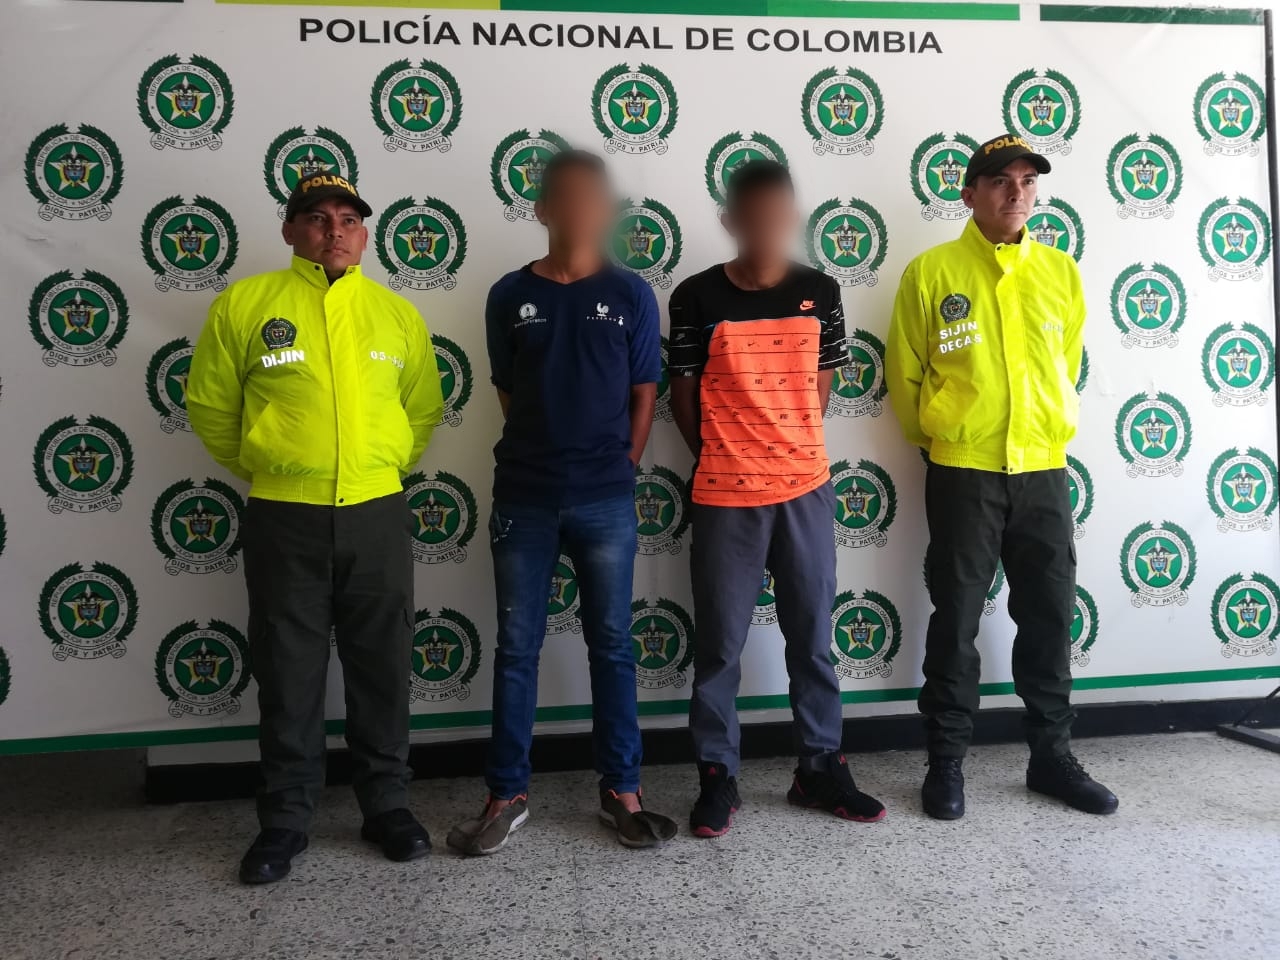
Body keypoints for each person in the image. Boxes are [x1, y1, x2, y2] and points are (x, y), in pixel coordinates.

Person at [188, 173, 445, 883]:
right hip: (284, 515)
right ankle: (286, 818)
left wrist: (379, 466)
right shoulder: (245, 305)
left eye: (349, 219)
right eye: (317, 218)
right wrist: (270, 464)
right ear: (290, 230)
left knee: (382, 666)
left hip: (377, 513)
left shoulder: (395, 314)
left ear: (364, 234)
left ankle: (387, 805)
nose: (335, 231)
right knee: (287, 669)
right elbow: (211, 406)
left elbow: (422, 409)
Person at [445, 150, 676, 856]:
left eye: (591, 197)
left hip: (606, 499)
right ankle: (506, 794)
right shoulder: (508, 294)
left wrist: (622, 466)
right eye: (564, 197)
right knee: (517, 648)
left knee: (613, 646)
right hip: (526, 497)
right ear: (542, 208)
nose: (578, 209)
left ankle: (623, 792)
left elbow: (644, 392)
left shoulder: (632, 293)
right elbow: (507, 389)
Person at [885, 134, 1119, 821]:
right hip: (965, 473)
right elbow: (905, 374)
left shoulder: (1060, 271)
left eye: (1027, 180)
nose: (1016, 192)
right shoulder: (931, 272)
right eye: (999, 180)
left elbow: (1066, 363)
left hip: (1043, 471)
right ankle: (945, 762)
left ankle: (1051, 758)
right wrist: (945, 438)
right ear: (969, 193)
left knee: (1047, 617)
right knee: (956, 620)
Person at [668, 159, 886, 839]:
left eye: (777, 213)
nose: (766, 226)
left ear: (792, 217)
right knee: (719, 648)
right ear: (730, 220)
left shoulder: (820, 290)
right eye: (752, 214)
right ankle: (717, 774)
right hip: (724, 495)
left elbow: (818, 390)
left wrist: (783, 448)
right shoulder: (695, 296)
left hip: (804, 492)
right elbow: (683, 395)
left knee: (813, 641)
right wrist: (728, 456)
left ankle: (818, 768)